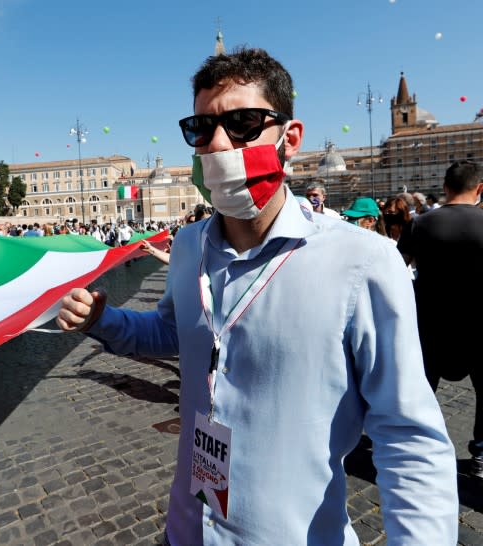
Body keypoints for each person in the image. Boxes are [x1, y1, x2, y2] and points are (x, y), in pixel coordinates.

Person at [55, 48, 457, 544]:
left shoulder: (364, 262)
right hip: (187, 530)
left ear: (290, 139)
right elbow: (172, 331)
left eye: (243, 122)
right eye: (202, 128)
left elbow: (409, 438)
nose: (219, 142)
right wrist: (103, 319)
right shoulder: (186, 245)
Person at [397, 160, 483, 479]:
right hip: (479, 325)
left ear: (445, 188)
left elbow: (396, 268)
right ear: (480, 189)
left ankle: (410, 445)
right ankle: (481, 456)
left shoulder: (420, 224)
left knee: (420, 389)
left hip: (430, 323)